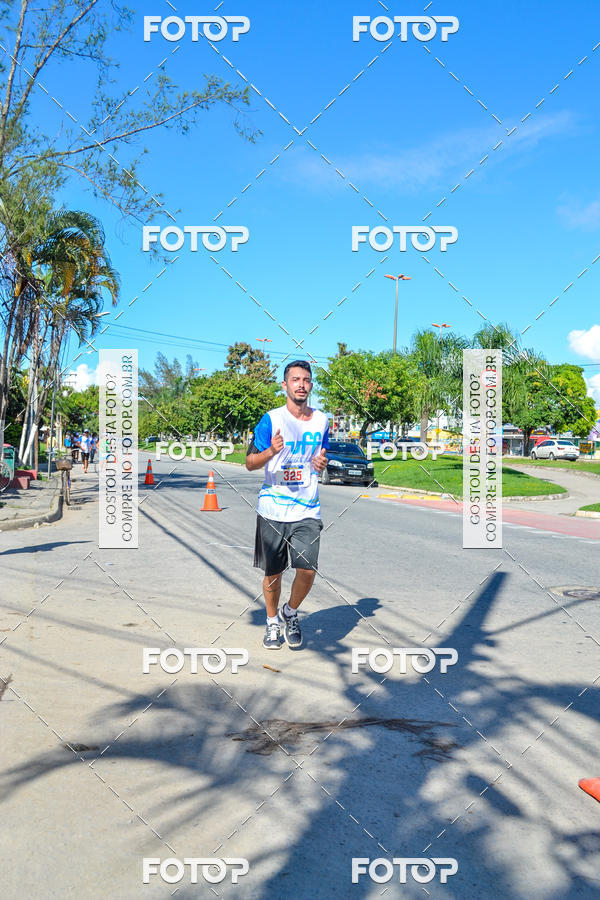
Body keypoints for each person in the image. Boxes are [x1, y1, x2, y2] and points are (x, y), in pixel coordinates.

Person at [246, 360, 329, 650]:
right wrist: (271, 450)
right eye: (295, 379)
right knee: (273, 573)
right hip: (272, 508)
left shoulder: (322, 420)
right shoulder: (271, 420)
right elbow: (249, 463)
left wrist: (321, 462)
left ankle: (290, 613)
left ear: (311, 385)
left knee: (307, 570)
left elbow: (320, 456)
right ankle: (271, 622)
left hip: (307, 508)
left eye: (306, 380)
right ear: (285, 385)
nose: (301, 384)